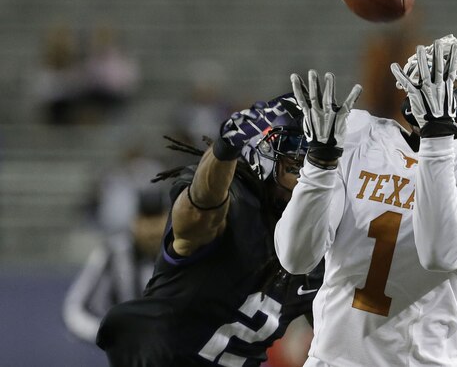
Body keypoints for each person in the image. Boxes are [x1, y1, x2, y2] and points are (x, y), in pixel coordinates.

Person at [274, 35, 457, 366]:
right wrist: (319, 166)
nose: (439, 79)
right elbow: (295, 258)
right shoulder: (361, 134)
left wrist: (438, 137)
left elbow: (441, 251)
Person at [96, 93, 324, 367]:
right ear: (266, 162)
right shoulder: (237, 204)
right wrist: (225, 149)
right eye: (298, 167)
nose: (310, 184)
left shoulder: (323, 238)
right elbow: (199, 213)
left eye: (321, 171)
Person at [63, 186, 169, 343]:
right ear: (135, 221)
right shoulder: (114, 253)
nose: (152, 228)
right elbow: (75, 309)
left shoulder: (185, 253)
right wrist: (109, 335)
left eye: (158, 219)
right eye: (146, 219)